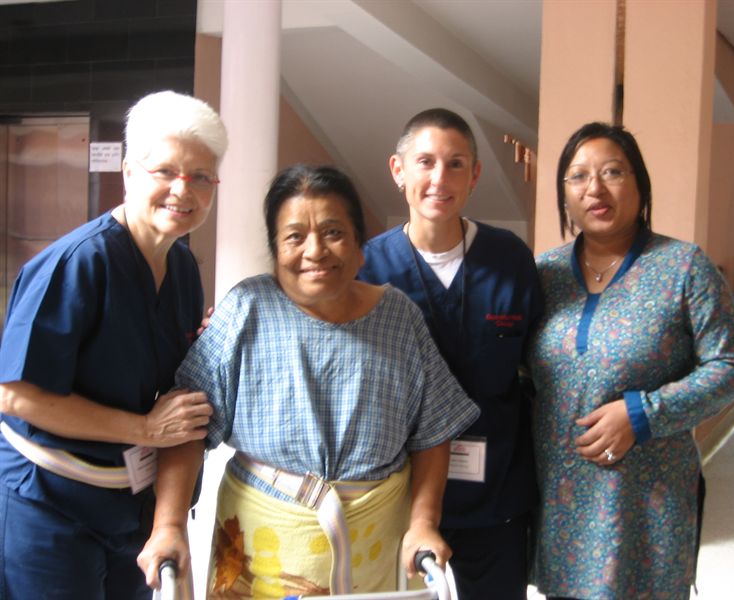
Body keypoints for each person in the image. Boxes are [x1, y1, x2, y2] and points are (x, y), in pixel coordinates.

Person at [136, 164, 480, 599]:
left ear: (360, 245)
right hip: (262, 547)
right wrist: (168, 526)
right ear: (275, 249)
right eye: (294, 236)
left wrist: (424, 523)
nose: (315, 251)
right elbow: (187, 425)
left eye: (334, 232)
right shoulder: (247, 309)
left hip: (376, 543)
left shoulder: (398, 316)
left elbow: (433, 431)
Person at [0, 90, 226, 599]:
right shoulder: (78, 263)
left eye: (201, 177)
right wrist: (144, 427)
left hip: (128, 502)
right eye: (164, 171)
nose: (181, 189)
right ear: (128, 173)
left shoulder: (184, 268)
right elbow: (15, 395)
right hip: (48, 503)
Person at [527, 122, 734, 599]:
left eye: (612, 172)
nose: (595, 188)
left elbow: (731, 367)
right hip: (563, 503)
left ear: (639, 184)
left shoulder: (684, 267)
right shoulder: (543, 274)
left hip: (645, 503)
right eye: (578, 176)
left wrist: (643, 413)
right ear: (564, 194)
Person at [358, 108, 544, 600]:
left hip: (495, 498)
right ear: (398, 171)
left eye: (456, 164)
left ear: (476, 175)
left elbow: (540, 365)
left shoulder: (510, 258)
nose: (440, 178)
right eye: (425, 162)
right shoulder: (366, 267)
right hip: (396, 498)